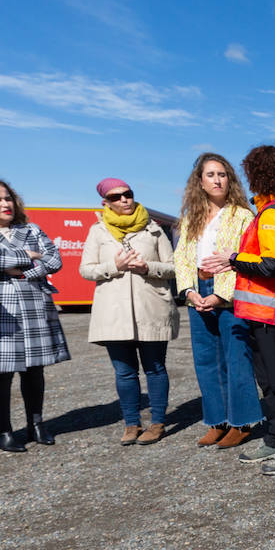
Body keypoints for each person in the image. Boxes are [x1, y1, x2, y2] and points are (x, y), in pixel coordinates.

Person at [201, 144, 275, 476]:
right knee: (269, 382)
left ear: (259, 173)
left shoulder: (274, 213)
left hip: (271, 315)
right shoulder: (269, 211)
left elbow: (273, 265)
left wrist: (231, 259)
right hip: (259, 314)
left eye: (249, 172)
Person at [0, 176, 71, 452]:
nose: (5, 203)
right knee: (1, 373)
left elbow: (55, 260)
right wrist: (28, 255)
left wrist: (21, 271)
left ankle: (37, 424)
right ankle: (3, 431)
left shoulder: (30, 228)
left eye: (7, 198)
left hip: (33, 305)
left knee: (34, 369)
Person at [172, 153, 263, 449]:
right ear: (199, 181)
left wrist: (221, 294)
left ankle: (242, 423)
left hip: (229, 292)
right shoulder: (190, 218)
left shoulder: (242, 215)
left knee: (236, 359)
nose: (217, 179)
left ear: (230, 179)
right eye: (210, 174)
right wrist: (189, 291)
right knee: (206, 362)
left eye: (222, 174)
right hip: (198, 290)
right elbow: (182, 257)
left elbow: (247, 259)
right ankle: (217, 421)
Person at [79, 178, 178, 445]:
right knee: (124, 372)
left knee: (155, 368)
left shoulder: (154, 229)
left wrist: (148, 267)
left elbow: (174, 267)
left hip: (151, 307)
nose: (123, 199)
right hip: (114, 311)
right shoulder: (98, 231)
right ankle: (131, 424)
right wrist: (115, 265)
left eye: (127, 194)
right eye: (115, 197)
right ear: (105, 202)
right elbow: (86, 269)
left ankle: (157, 423)